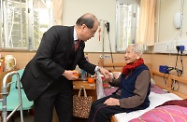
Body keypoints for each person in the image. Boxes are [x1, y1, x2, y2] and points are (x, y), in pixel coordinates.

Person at [21, 13, 110, 122]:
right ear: (83, 27)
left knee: (67, 117)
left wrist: (98, 69)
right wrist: (63, 72)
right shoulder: (55, 32)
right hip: (44, 82)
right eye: (93, 32)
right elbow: (42, 59)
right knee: (43, 118)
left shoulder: (81, 43)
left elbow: (81, 62)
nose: (93, 36)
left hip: (63, 83)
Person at [88, 44, 151, 122]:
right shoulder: (129, 68)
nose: (125, 55)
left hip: (131, 101)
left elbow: (139, 98)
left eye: (128, 53)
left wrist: (117, 102)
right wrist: (110, 79)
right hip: (121, 96)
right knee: (94, 104)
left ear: (138, 55)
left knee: (100, 110)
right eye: (125, 53)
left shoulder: (143, 71)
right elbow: (119, 82)